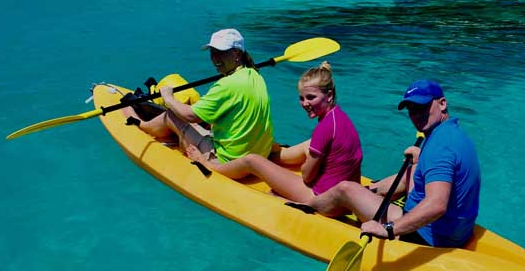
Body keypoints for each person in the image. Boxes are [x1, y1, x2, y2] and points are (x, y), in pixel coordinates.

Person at [312, 79, 480, 247]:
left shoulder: (439, 149)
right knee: (414, 169)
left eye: (423, 107)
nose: (416, 115)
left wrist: (389, 229)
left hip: (425, 236)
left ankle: (308, 205)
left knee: (345, 189)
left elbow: (436, 205)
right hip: (456, 232)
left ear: (442, 104)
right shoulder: (453, 132)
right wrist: (421, 160)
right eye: (412, 110)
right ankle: (371, 191)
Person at [186, 62, 363, 208]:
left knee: (252, 160)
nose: (305, 103)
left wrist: (308, 164)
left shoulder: (323, 129)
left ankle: (209, 165)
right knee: (308, 146)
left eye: (310, 97)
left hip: (322, 199)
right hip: (342, 198)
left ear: (329, 95)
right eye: (301, 98)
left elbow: (307, 176)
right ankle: (273, 156)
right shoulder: (340, 117)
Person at [127, 28, 274, 163]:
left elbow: (190, 116)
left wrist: (168, 97)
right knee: (200, 116)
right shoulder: (255, 74)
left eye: (220, 52)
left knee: (171, 115)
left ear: (236, 53)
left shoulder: (226, 85)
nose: (215, 58)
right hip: (258, 154)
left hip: (227, 160)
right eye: (212, 52)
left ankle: (143, 125)